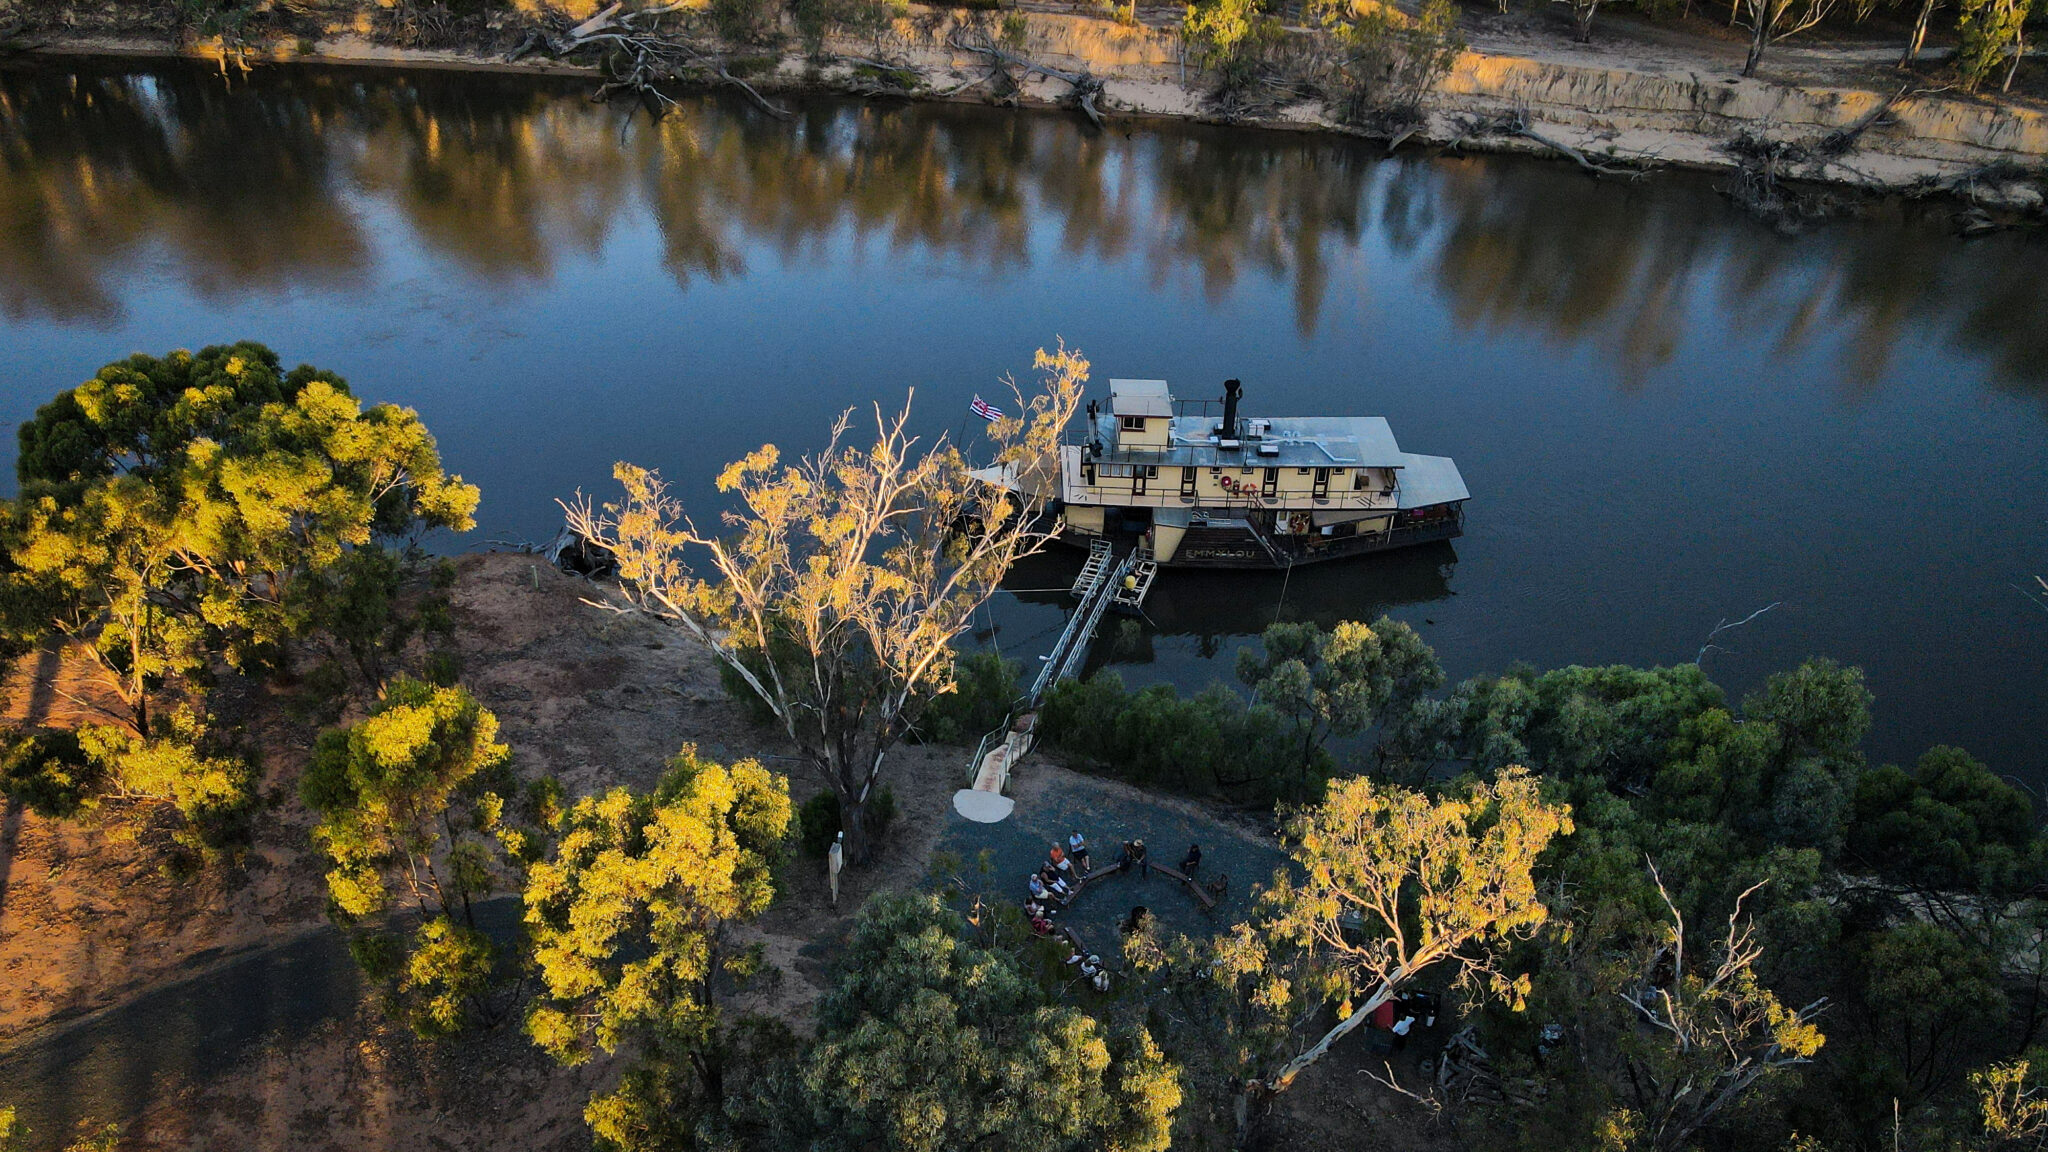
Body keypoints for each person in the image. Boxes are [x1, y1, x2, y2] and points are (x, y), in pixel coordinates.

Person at [827, 831, 844, 908]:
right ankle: (835, 898)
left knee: (834, 876)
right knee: (833, 879)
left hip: (835, 862)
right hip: (834, 863)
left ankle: (835, 898)